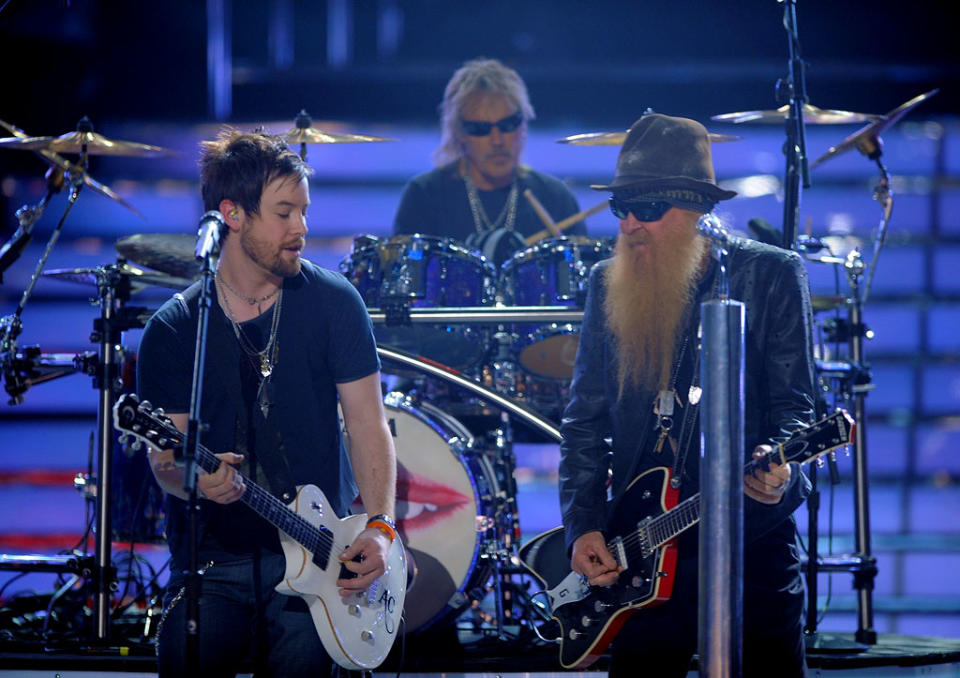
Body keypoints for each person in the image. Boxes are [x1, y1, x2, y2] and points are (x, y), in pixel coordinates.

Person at [558, 114, 816, 677]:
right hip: (639, 548)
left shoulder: (769, 274)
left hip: (751, 540)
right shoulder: (606, 282)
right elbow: (584, 421)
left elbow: (798, 410)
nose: (629, 224)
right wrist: (583, 527)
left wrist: (781, 477)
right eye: (619, 207)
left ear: (696, 209)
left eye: (647, 209)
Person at [137, 130, 397, 677]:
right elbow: (164, 458)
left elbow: (369, 425)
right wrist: (193, 479)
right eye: (284, 213)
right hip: (214, 563)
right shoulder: (177, 329)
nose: (301, 228)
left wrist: (380, 525)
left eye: (303, 211)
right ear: (232, 215)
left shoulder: (333, 301)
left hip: (321, 557)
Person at [392, 57, 587, 267]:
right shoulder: (424, 195)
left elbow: (582, 279)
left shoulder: (554, 196)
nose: (497, 140)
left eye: (508, 124)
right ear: (459, 132)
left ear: (523, 124)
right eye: (481, 129)